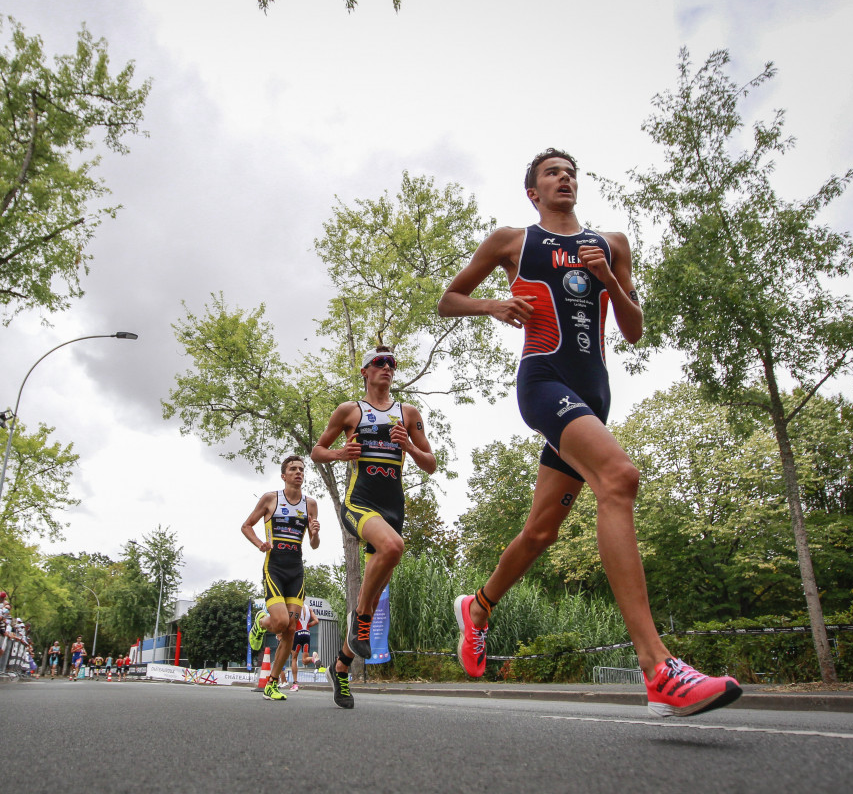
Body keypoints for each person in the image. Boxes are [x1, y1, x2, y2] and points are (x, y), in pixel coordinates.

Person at [437, 148, 741, 718]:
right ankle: (658, 669)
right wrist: (492, 306)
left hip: (593, 396)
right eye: (552, 173)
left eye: (570, 172)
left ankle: (476, 609)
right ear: (533, 191)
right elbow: (446, 299)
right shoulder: (513, 241)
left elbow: (635, 330)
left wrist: (608, 279)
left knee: (540, 533)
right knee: (619, 478)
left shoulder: (611, 245)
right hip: (544, 379)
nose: (564, 178)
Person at [311, 346, 437, 709]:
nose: (387, 367)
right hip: (359, 503)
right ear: (365, 371)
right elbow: (319, 450)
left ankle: (342, 667)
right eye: (379, 363)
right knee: (394, 548)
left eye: (392, 363)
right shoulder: (350, 411)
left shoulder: (408, 413)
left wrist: (409, 447)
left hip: (393, 509)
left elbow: (431, 464)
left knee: (379, 581)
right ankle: (361, 618)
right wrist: (339, 454)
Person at [242, 455, 321, 702]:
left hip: (296, 571)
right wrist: (260, 544)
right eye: (293, 469)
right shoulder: (270, 499)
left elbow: (314, 545)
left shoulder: (310, 504)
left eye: (301, 469)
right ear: (283, 475)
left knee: (290, 630)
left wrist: (316, 534)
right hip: (274, 567)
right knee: (279, 622)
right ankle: (261, 623)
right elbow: (246, 526)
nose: (298, 472)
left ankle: (272, 683)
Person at [287, 601, 319, 692]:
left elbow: (291, 621)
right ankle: (313, 658)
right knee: (305, 660)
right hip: (307, 634)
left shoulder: (295, 607)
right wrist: (308, 626)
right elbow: (316, 621)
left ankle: (295, 683)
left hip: (298, 633)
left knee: (294, 658)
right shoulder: (309, 608)